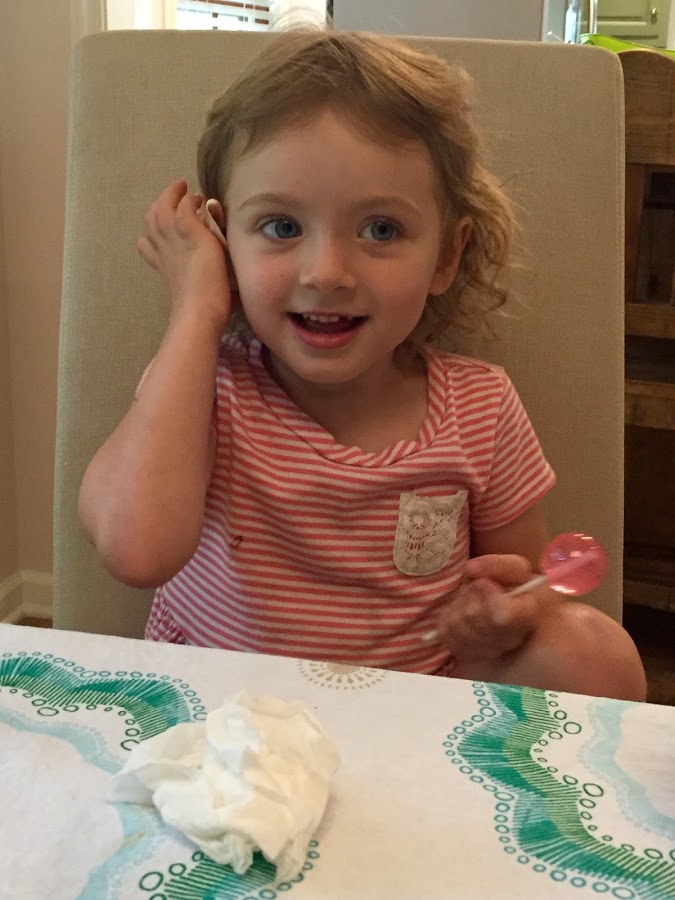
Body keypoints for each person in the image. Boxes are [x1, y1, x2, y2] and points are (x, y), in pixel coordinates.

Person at [78, 29, 646, 701]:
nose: (326, 273)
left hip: (409, 713)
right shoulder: (200, 382)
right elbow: (136, 549)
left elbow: (520, 578)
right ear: (222, 241)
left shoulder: (481, 407)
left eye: (381, 229)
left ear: (445, 255)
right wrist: (196, 306)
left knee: (593, 652)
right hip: (226, 720)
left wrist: (503, 611)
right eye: (281, 227)